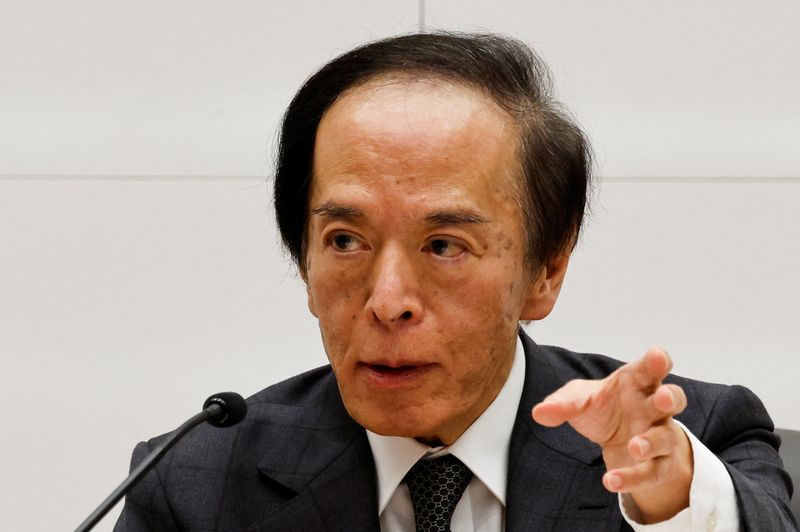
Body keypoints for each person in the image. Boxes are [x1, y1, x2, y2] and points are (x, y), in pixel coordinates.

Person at [114, 32, 796, 531]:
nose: (387, 302)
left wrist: (670, 498)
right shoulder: (196, 481)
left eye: (443, 245)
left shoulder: (693, 445)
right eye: (345, 240)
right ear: (304, 260)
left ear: (546, 270)